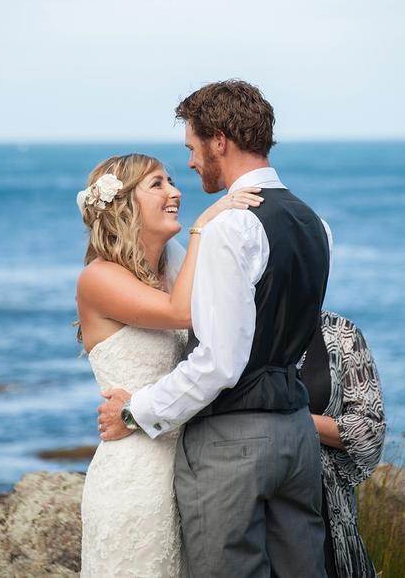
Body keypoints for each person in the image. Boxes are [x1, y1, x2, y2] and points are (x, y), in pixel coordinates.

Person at [100, 80, 333, 578]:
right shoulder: (315, 223)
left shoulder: (231, 226)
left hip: (233, 442)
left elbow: (220, 362)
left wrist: (136, 411)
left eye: (191, 147)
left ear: (219, 140)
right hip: (297, 435)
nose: (189, 163)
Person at [76, 152, 262, 577]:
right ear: (123, 205)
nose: (175, 191)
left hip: (191, 470)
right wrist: (204, 228)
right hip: (134, 476)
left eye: (172, 180)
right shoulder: (98, 278)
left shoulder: (172, 263)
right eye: (157, 184)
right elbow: (185, 313)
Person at [301, 310, 386, 578]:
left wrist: (296, 421)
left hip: (329, 509)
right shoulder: (242, 326)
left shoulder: (341, 332)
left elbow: (370, 433)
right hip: (255, 503)